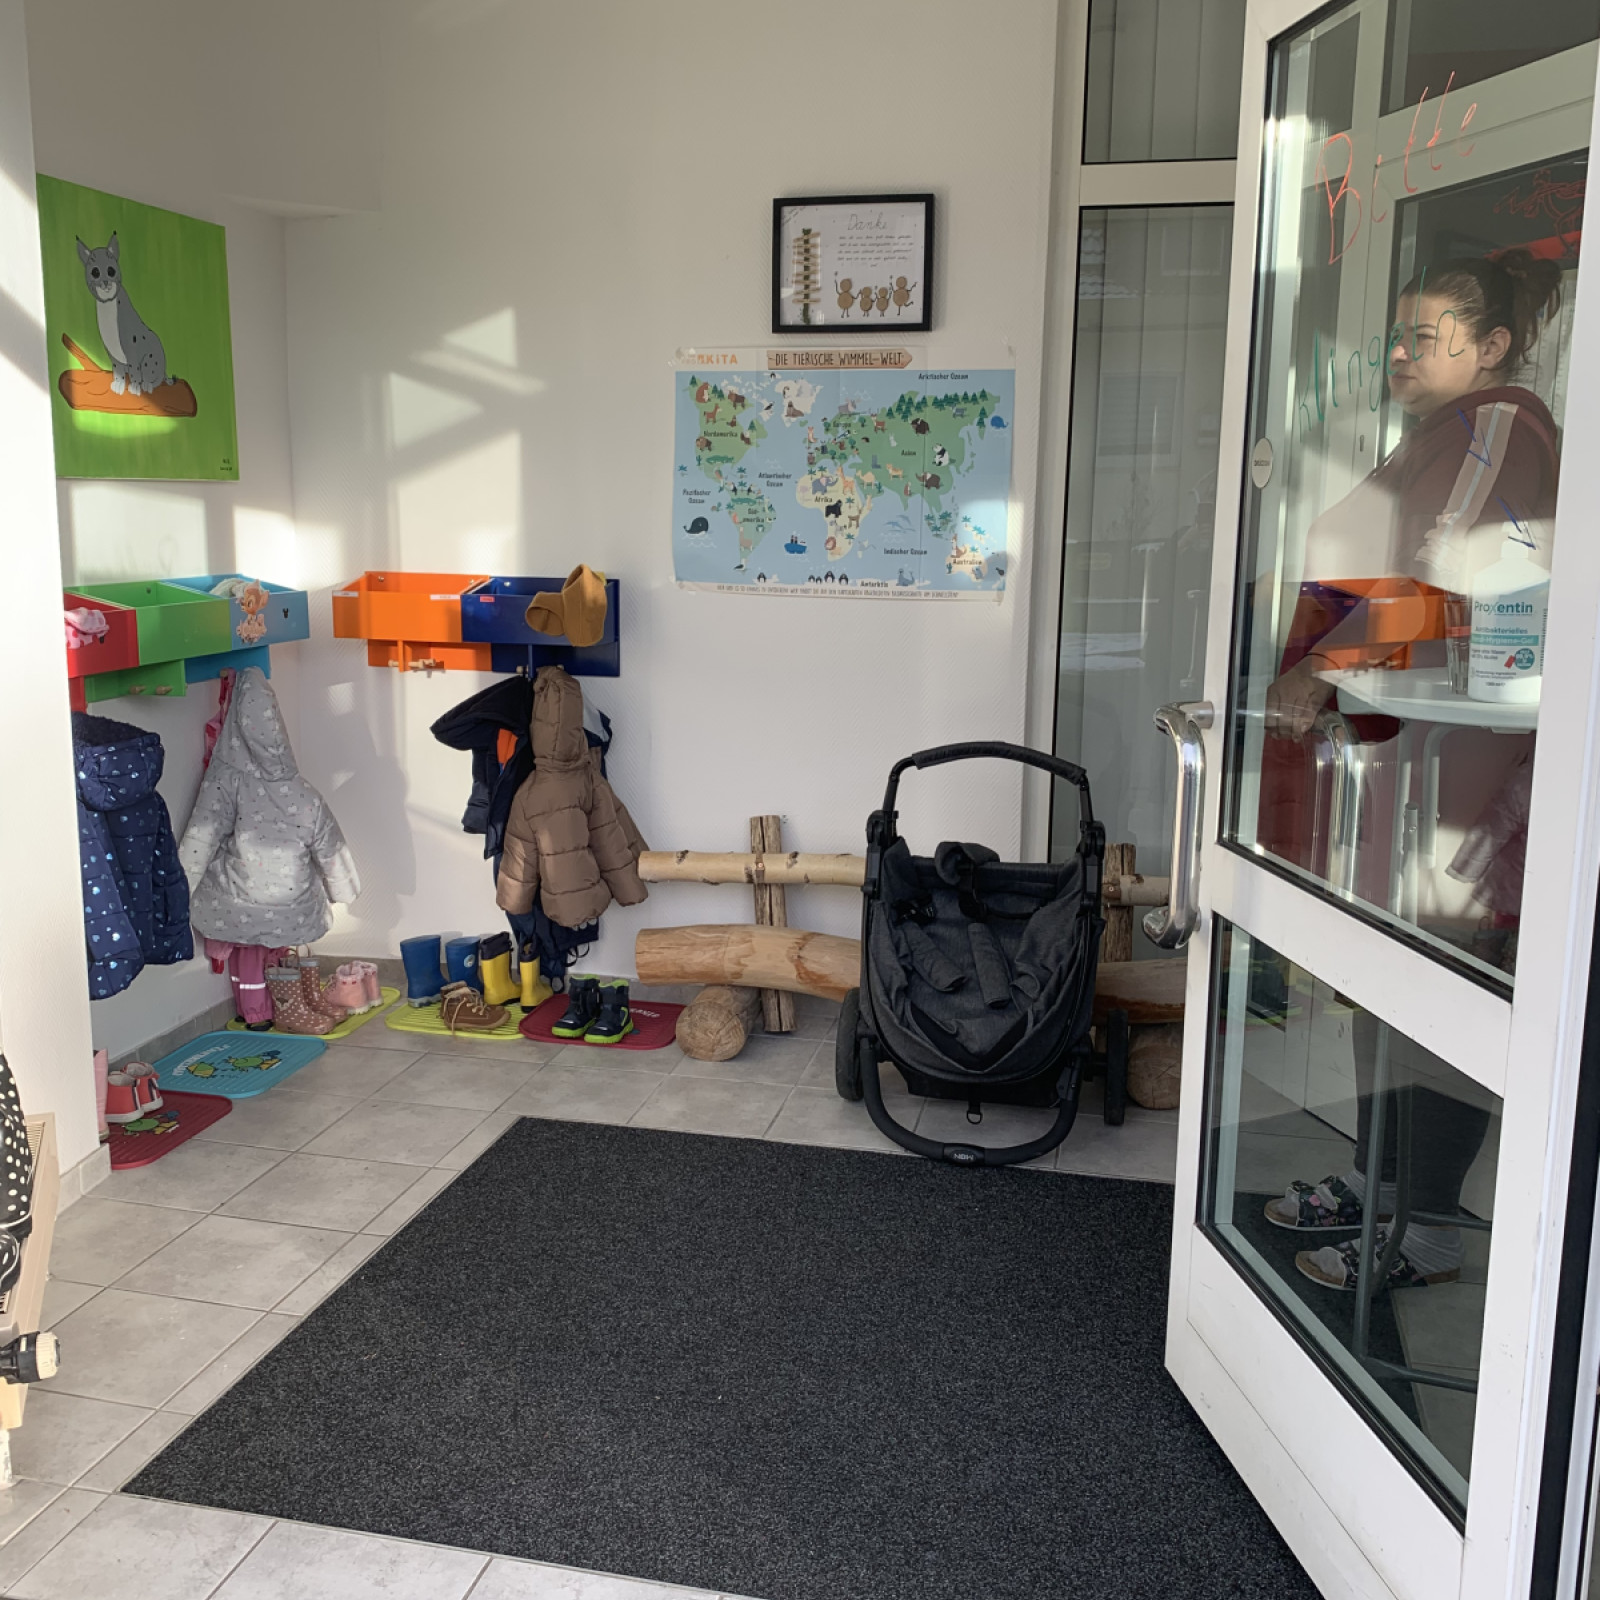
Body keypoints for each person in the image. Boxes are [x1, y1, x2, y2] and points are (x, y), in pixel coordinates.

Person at [1260, 248, 1563, 1291]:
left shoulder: (1499, 429)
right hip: (1406, 766)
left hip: (1463, 788)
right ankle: (1378, 1179)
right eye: (1398, 335)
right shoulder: (1445, 431)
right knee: (1383, 984)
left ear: (1492, 347)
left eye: (1424, 337)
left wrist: (1319, 667)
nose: (1400, 354)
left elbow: (1444, 576)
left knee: (1438, 991)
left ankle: (1426, 1225)